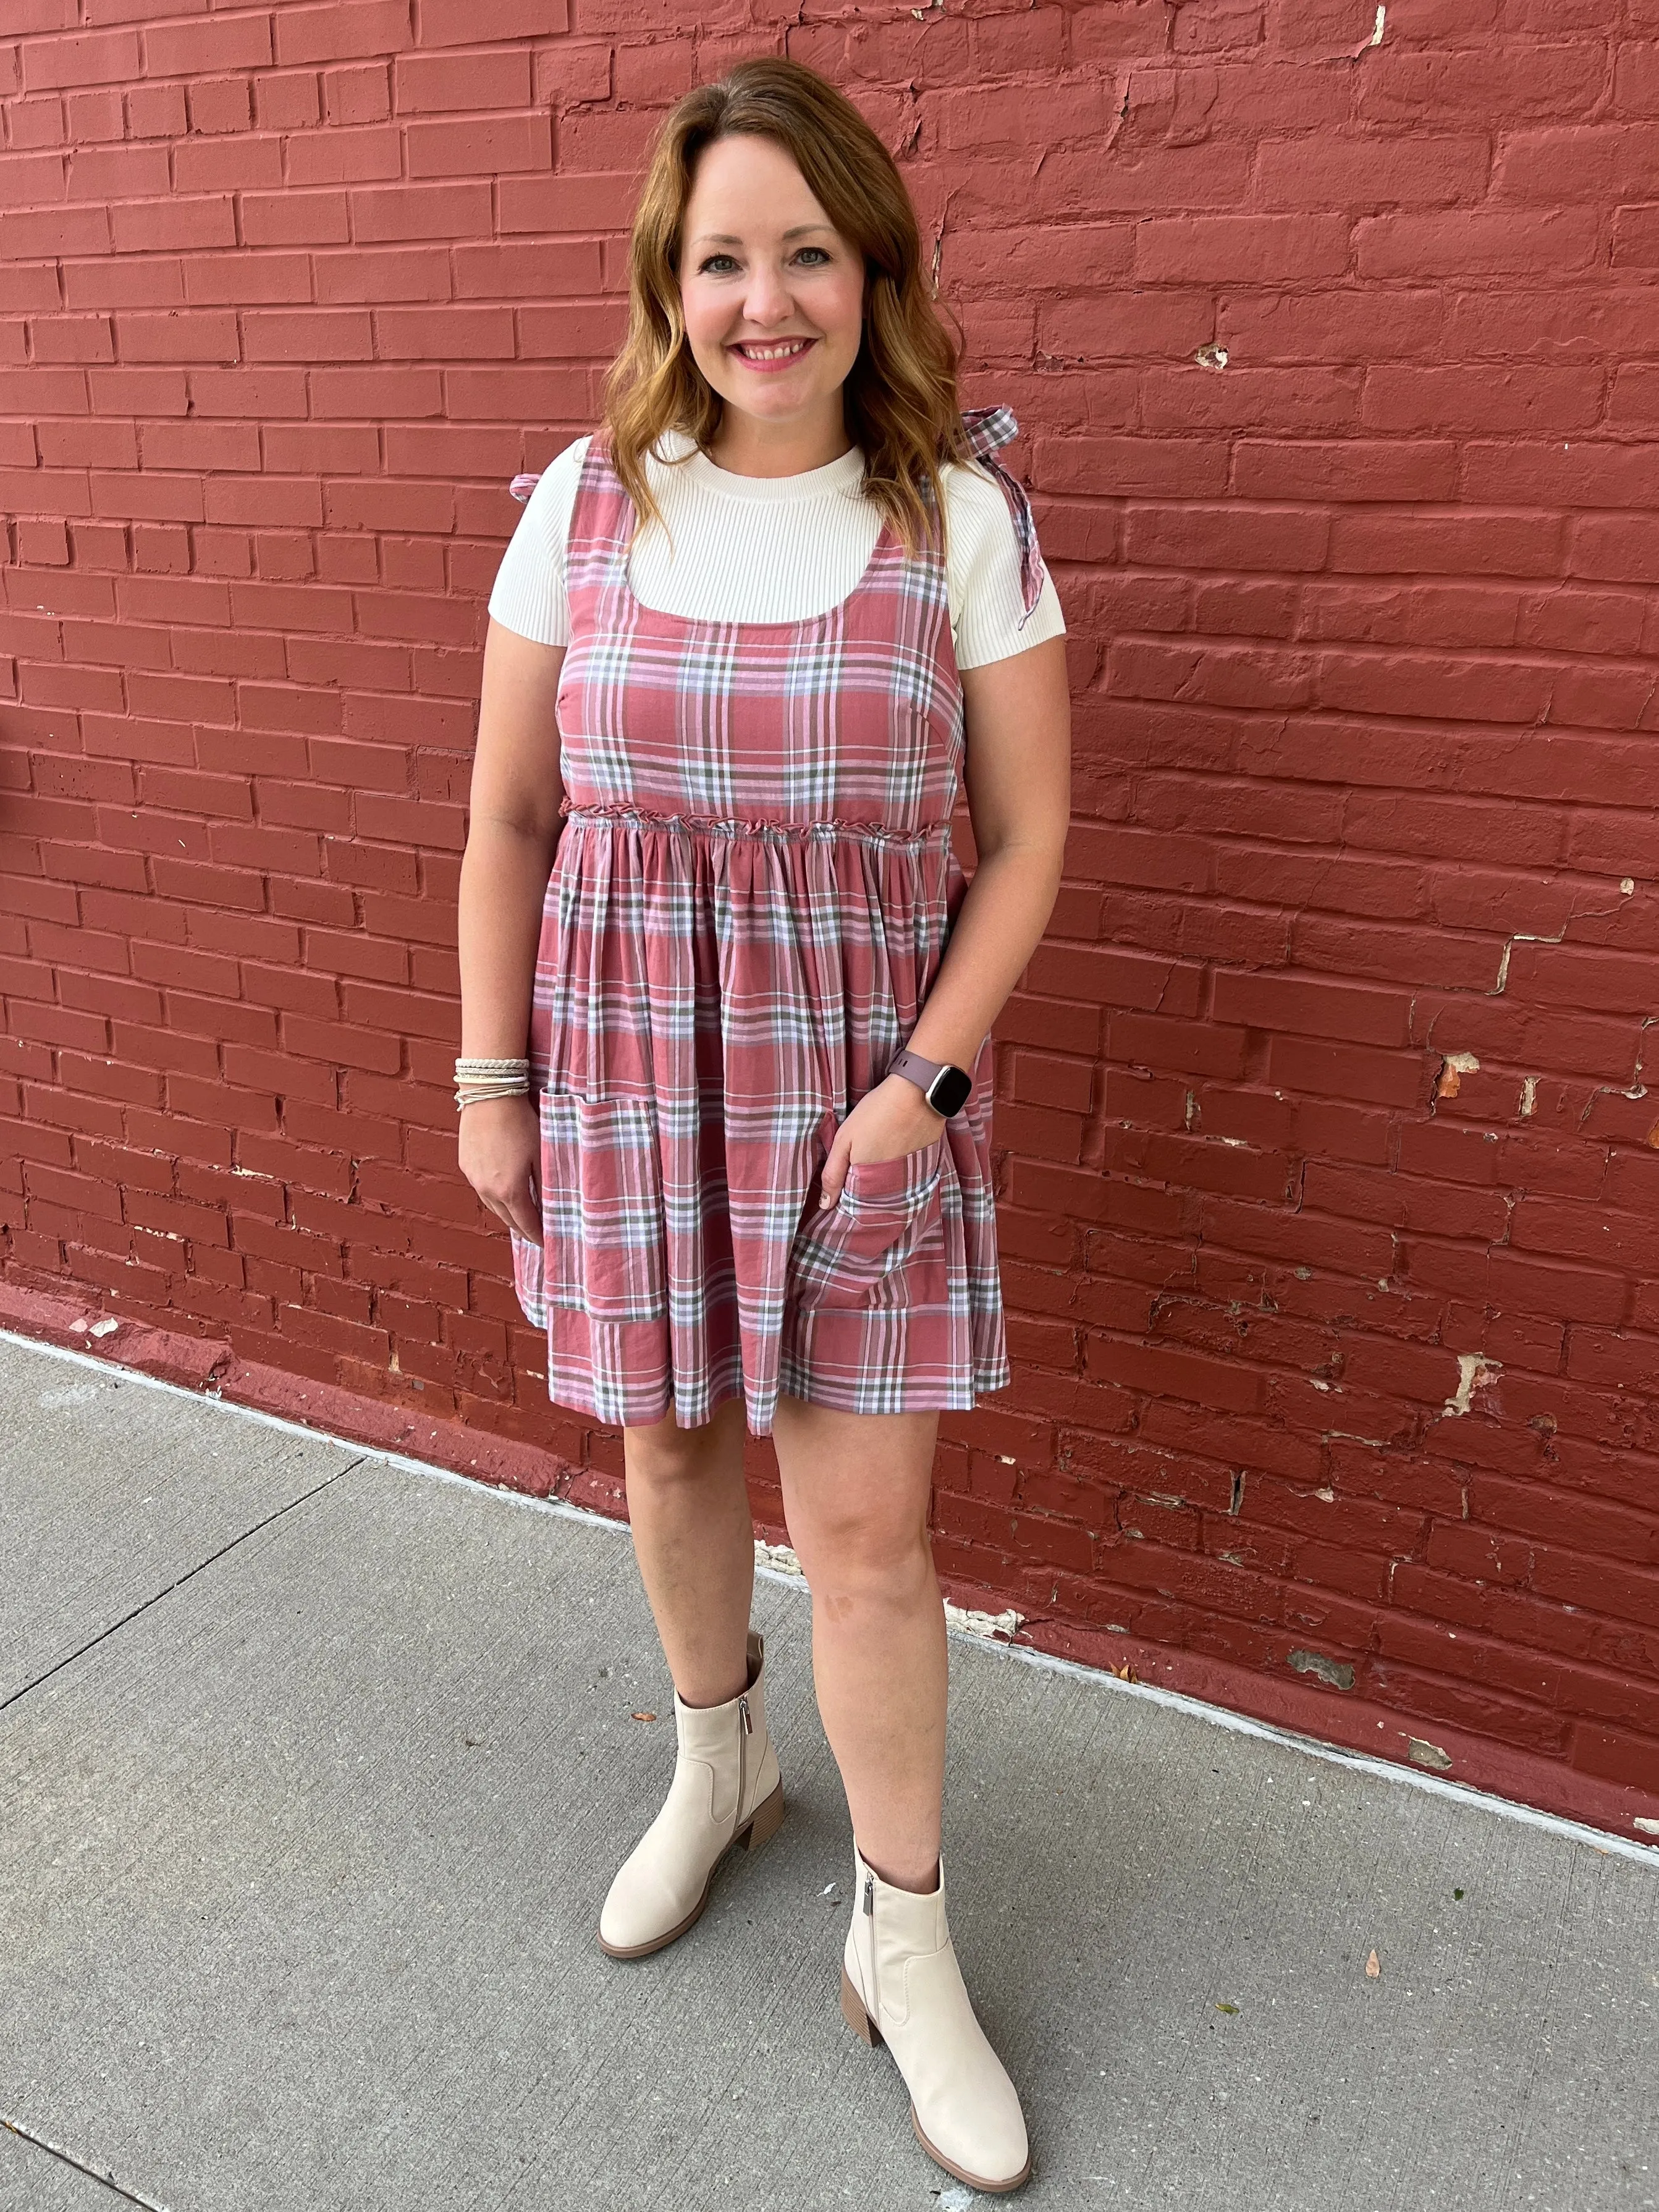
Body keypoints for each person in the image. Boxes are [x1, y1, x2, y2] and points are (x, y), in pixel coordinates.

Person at [457, 55, 1070, 2197]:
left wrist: (925, 1080)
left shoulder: (957, 518)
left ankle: (904, 1937)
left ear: (870, 268)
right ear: (669, 282)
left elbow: (1028, 840)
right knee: (662, 1437)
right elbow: (510, 812)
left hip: (858, 1103)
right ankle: (718, 1765)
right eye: (723, 256)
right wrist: (488, 1071)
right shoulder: (589, 494)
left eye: (805, 249)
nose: (765, 297)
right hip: (625, 1062)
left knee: (877, 1538)